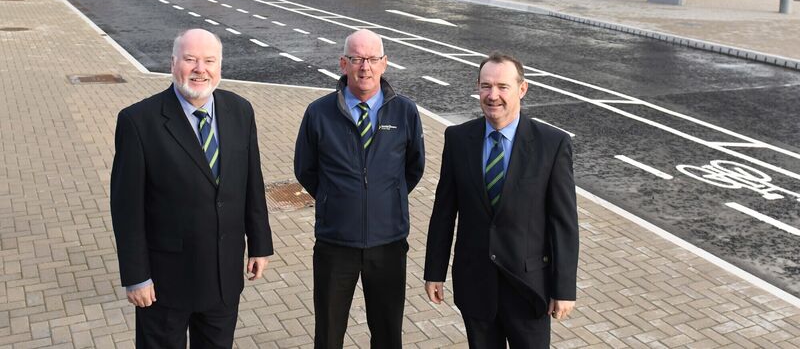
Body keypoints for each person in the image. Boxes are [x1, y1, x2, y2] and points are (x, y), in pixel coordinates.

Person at [110, 28, 273, 348]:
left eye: (209, 60)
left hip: (223, 278)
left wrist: (259, 243)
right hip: (164, 285)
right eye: (190, 60)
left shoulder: (240, 111)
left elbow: (253, 181)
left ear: (220, 67)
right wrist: (136, 277)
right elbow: (126, 209)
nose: (201, 69)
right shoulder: (138, 121)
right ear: (173, 64)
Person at [424, 52, 579, 349]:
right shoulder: (457, 139)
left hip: (529, 289)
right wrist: (434, 271)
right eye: (486, 86)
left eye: (502, 87)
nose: (492, 95)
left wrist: (564, 288)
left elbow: (563, 223)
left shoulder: (552, 144)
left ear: (522, 89)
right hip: (476, 285)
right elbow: (444, 212)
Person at [294, 29, 425, 349]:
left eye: (372, 59)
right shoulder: (318, 112)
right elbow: (305, 170)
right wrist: (335, 199)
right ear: (343, 63)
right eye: (356, 59)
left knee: (388, 334)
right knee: (328, 334)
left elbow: (414, 167)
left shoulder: (405, 111)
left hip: (388, 242)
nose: (364, 67)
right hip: (335, 243)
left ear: (384, 64)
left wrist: (386, 198)